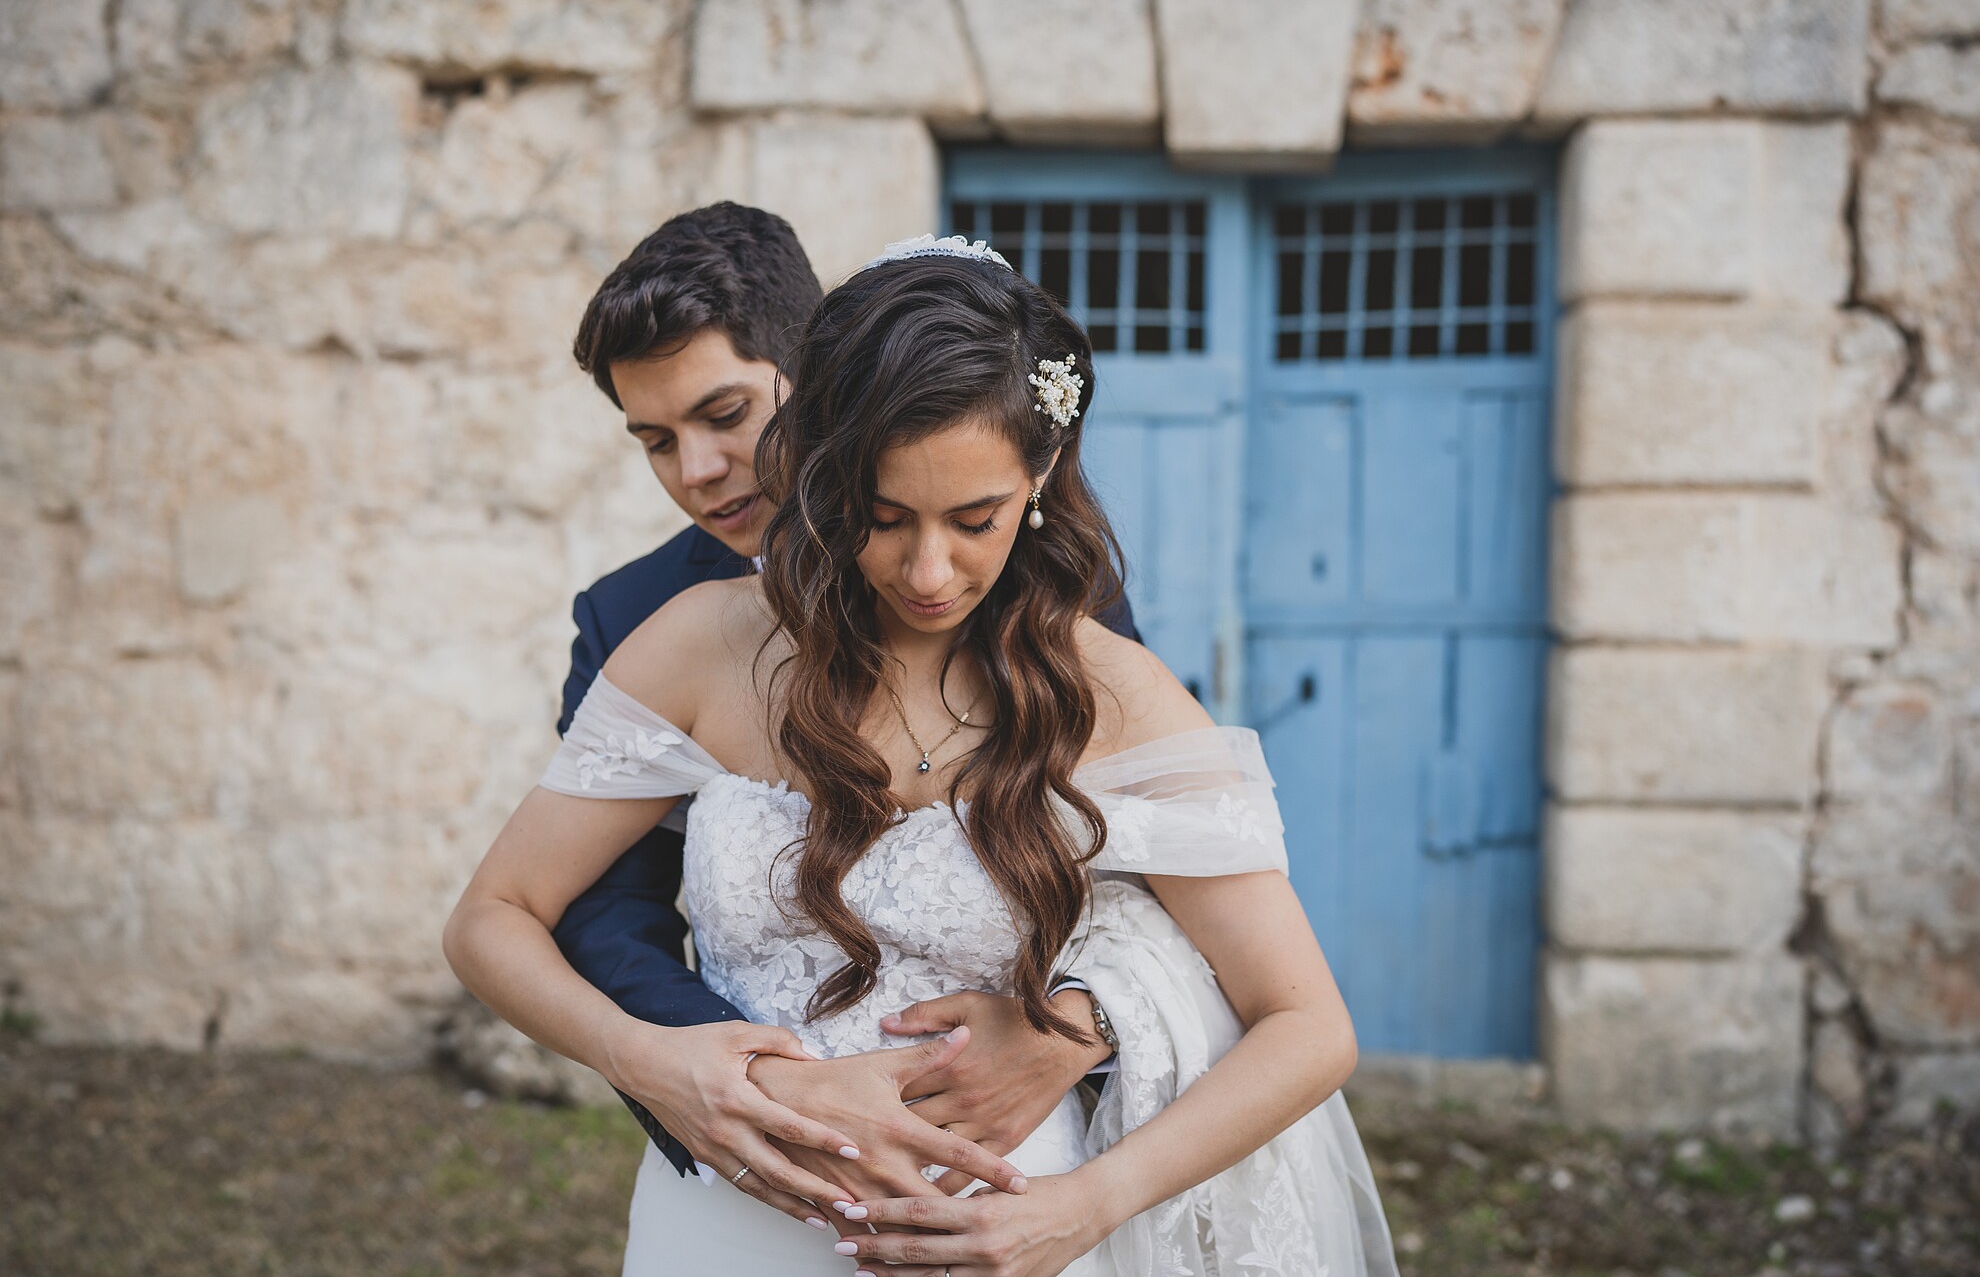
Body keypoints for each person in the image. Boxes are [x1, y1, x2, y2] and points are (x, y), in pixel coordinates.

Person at [446, 236, 1397, 1274]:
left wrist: (1083, 1201)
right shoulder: (691, 641)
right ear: (824, 475)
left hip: (1008, 1227)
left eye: (974, 520)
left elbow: (1305, 1022)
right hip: (726, 1220)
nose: (929, 571)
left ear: (1036, 477)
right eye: (881, 518)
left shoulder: (1106, 685)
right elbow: (499, 916)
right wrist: (653, 1058)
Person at [546, 203, 1144, 1226]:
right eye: (654, 439)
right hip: (758, 1159)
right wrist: (749, 1078)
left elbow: (1160, 839)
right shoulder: (635, 619)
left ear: (815, 378)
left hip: (991, 1153)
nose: (694, 471)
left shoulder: (1020, 573)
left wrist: (1079, 1025)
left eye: (725, 415)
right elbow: (602, 905)